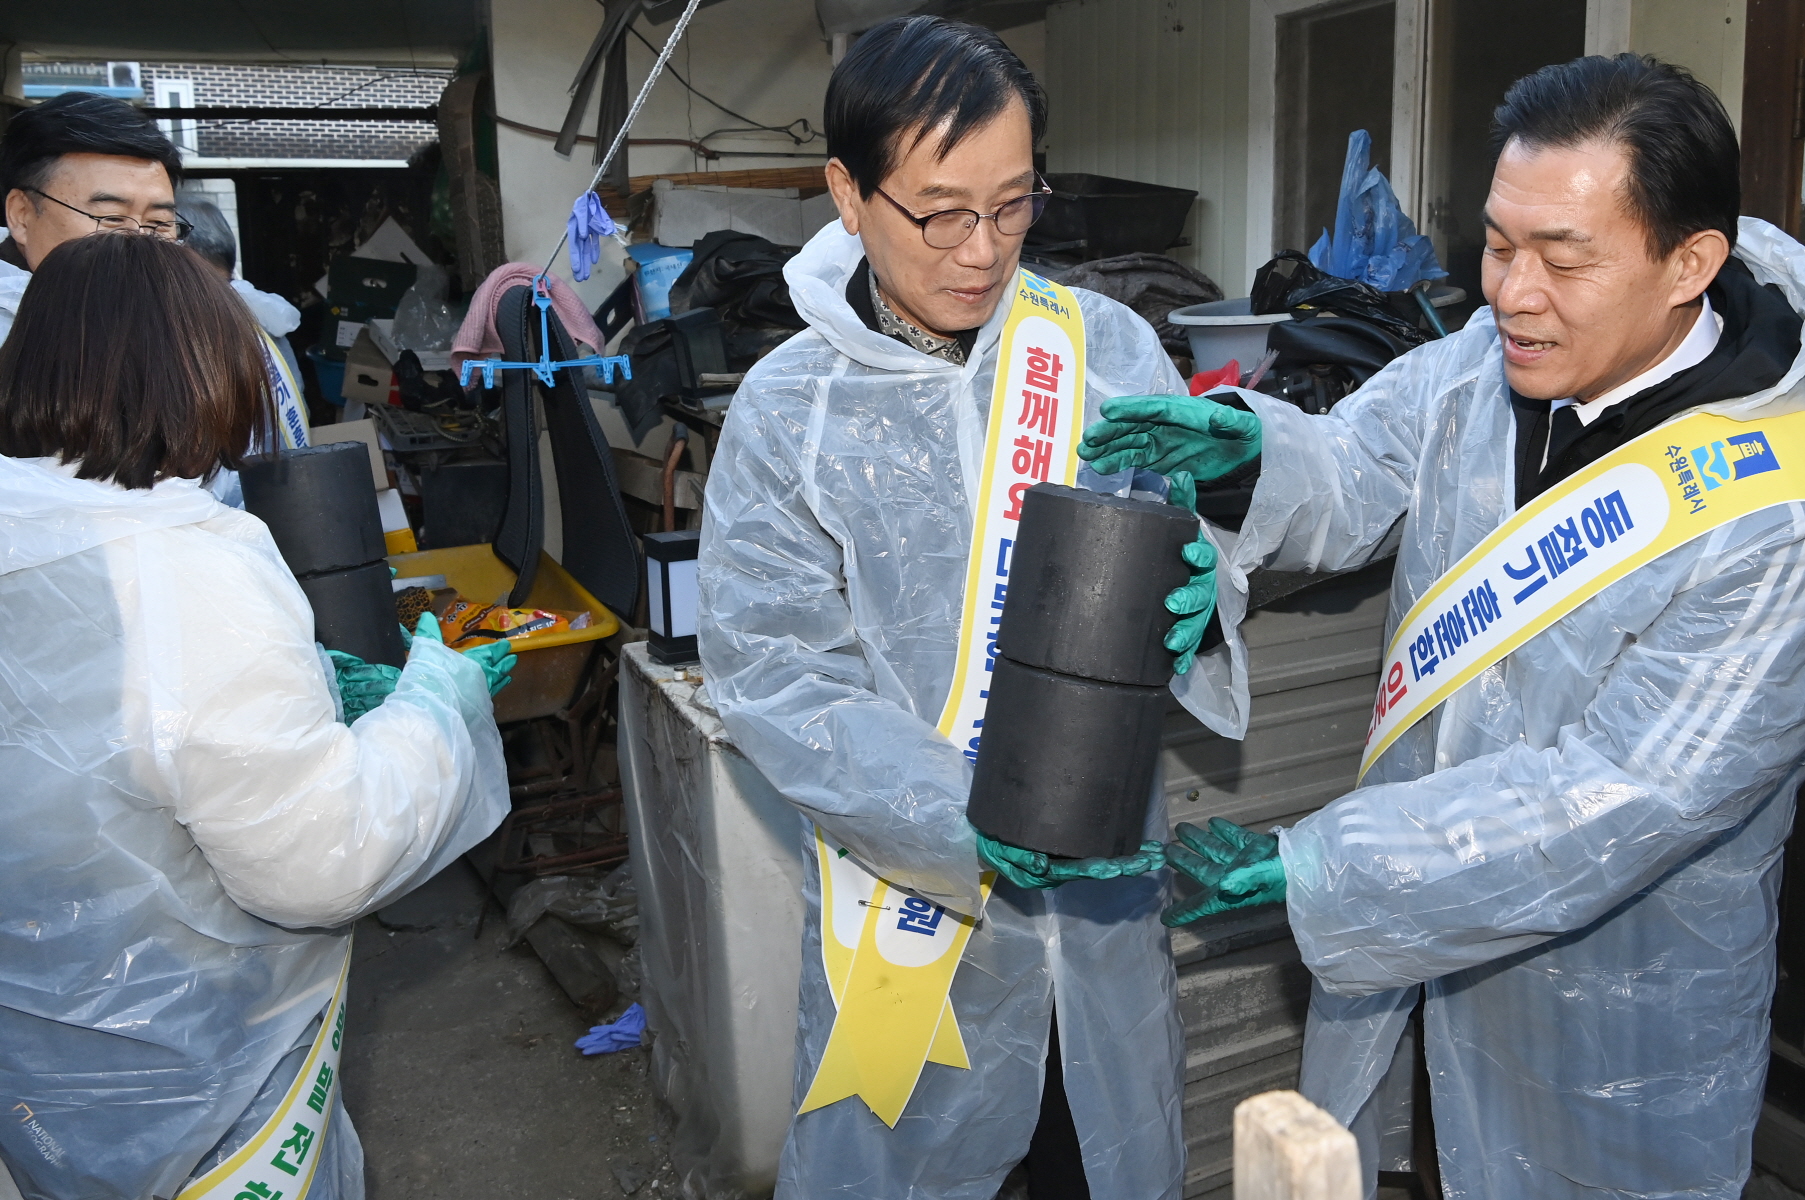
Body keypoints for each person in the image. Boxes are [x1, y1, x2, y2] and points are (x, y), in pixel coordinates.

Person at [1082, 54, 1805, 1198]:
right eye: (1497, 244)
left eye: (1561, 259)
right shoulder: (1488, 357)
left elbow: (1622, 794)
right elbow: (1366, 457)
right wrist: (1256, 457)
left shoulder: (1774, 511)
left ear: (1689, 265)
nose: (1511, 292)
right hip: (1412, 938)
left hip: (1609, 997)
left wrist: (1326, 867)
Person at [698, 17, 1187, 1200]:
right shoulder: (791, 410)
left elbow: (1185, 564)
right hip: (914, 923)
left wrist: (1202, 570)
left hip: (1105, 894)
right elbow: (775, 674)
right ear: (847, 194)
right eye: (940, 210)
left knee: (1100, 1155)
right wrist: (957, 813)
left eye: (1014, 206)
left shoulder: (1100, 348)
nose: (982, 250)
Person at [0, 234, 514, 1198]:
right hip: (194, 1073)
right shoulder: (188, 560)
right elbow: (323, 857)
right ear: (201, 375)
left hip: (38, 1078)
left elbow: (110, 730)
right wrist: (437, 702)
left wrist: (305, 683)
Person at [0, 91, 186, 342]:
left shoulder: (200, 322)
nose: (139, 241)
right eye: (111, 218)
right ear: (21, 215)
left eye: (158, 222)